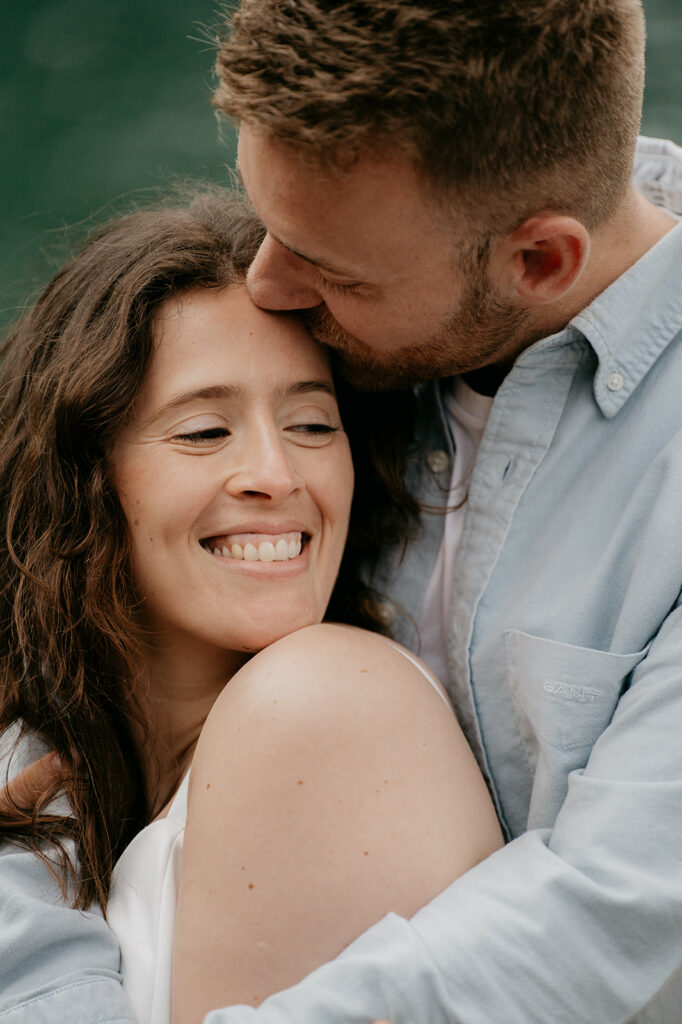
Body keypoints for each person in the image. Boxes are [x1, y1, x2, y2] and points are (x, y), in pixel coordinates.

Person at [2, 2, 682, 1023]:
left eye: (329, 267)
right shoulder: (374, 316)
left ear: (537, 262)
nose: (269, 283)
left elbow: (608, 912)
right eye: (267, 219)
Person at [0, 189, 502, 1024]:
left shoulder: (322, 703)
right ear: (84, 480)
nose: (277, 472)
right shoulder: (45, 763)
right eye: (204, 433)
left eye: (312, 424)